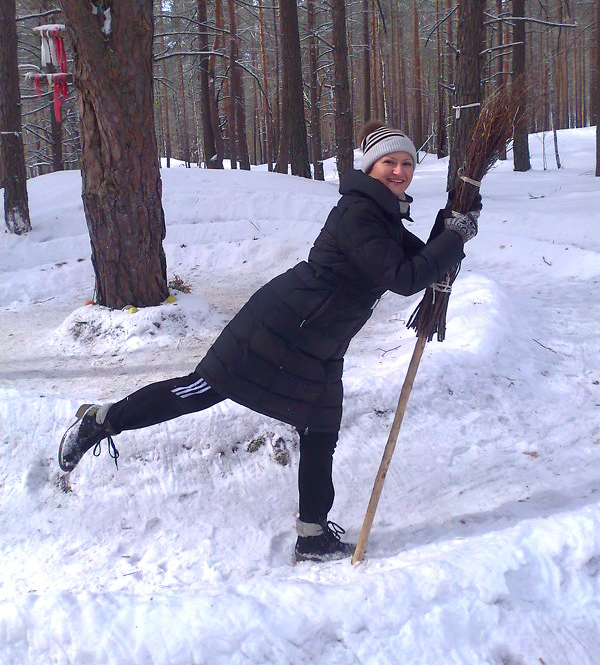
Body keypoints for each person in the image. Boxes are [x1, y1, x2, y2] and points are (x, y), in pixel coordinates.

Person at [58, 121, 479, 563]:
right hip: (282, 325)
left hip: (321, 341)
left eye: (407, 163)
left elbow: (422, 260)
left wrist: (453, 224)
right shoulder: (360, 214)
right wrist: (453, 237)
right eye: (389, 163)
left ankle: (312, 534)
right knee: (197, 391)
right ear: (371, 167)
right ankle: (100, 421)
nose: (398, 171)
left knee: (321, 430)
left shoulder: (383, 215)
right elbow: (406, 278)